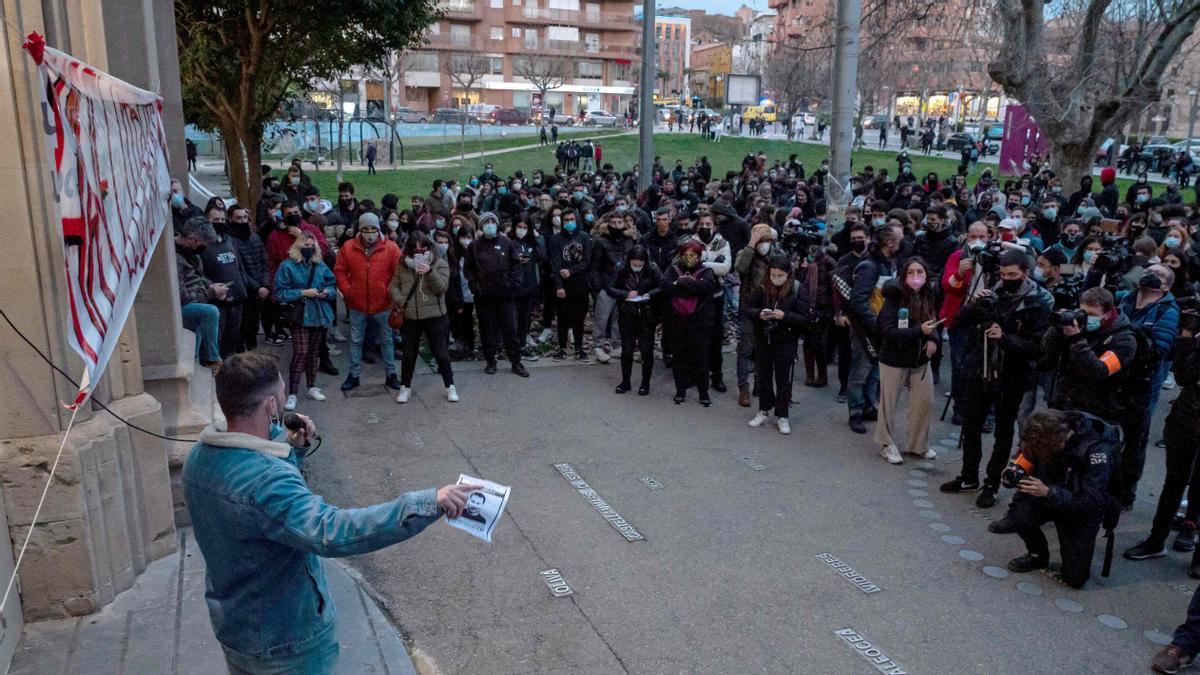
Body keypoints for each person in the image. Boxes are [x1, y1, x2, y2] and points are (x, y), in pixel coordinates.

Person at [183, 352, 478, 674]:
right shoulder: (266, 479)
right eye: (282, 394)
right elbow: (332, 530)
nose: (285, 402)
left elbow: (264, 515)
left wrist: (291, 449)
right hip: (286, 642)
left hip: (236, 625)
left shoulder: (199, 457)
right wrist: (428, 502)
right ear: (270, 406)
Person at [940, 250, 1050, 507]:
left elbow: (1037, 348)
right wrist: (974, 303)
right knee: (970, 425)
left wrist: (1006, 338)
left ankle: (992, 483)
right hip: (980, 370)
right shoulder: (994, 293)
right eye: (1002, 274)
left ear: (1025, 272)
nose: (1007, 278)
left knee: (1002, 432)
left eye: (1012, 274)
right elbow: (958, 322)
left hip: (1011, 376)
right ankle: (968, 476)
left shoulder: (1037, 303)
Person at [1003, 409, 1121, 589]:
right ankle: (1037, 555)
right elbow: (1026, 452)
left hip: (1080, 508)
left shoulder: (1096, 450)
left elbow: (1092, 501)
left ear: (1056, 443)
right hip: (1051, 491)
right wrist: (1018, 469)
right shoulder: (1044, 433)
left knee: (1074, 579)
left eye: (1042, 450)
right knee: (1020, 515)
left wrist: (1049, 493)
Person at [1125, 307, 1200, 570]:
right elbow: (1184, 376)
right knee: (1174, 481)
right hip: (1187, 418)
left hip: (1189, 415)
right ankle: (1157, 539)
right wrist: (1188, 338)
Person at [874, 258, 941, 464]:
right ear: (903, 276)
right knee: (888, 404)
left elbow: (932, 322)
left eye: (920, 271)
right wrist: (919, 331)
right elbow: (888, 331)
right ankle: (887, 444)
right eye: (910, 272)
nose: (915, 277)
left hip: (919, 360)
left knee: (924, 401)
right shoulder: (894, 298)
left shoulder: (928, 296)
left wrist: (932, 339)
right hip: (893, 359)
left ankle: (917, 445)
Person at [844, 224, 905, 434]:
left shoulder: (890, 263)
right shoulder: (870, 267)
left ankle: (869, 406)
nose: (903, 241)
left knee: (875, 373)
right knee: (860, 372)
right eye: (900, 238)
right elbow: (858, 301)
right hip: (866, 331)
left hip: (881, 329)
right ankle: (856, 412)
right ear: (889, 243)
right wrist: (875, 325)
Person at [744, 254, 812, 434]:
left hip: (786, 341)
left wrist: (785, 316)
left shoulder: (798, 289)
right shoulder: (763, 287)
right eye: (772, 275)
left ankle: (782, 415)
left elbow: (805, 318)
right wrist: (759, 314)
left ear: (788, 274)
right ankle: (763, 410)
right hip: (763, 339)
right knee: (763, 377)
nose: (775, 279)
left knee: (783, 380)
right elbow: (748, 308)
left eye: (779, 276)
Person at [335, 212, 402, 392]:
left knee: (387, 340)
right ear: (360, 230)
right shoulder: (348, 247)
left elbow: (399, 273)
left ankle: (391, 374)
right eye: (366, 230)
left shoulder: (391, 248)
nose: (370, 234)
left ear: (379, 229)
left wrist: (389, 292)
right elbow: (340, 270)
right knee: (356, 340)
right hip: (357, 305)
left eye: (373, 229)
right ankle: (354, 375)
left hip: (383, 304)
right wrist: (348, 291)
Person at [391, 233, 459, 403]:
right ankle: (405, 387)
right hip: (410, 316)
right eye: (415, 249)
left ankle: (450, 386)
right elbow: (393, 286)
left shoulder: (440, 264)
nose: (419, 253)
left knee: (441, 353)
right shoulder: (402, 265)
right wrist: (400, 300)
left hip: (435, 316)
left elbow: (441, 288)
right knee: (409, 354)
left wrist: (429, 272)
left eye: (423, 249)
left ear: (430, 249)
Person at [273, 232, 337, 410]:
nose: (309, 248)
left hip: (318, 313)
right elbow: (279, 292)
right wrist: (302, 292)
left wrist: (327, 293)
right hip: (300, 314)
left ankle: (311, 386)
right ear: (298, 246)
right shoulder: (287, 266)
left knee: (314, 352)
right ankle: (292, 393)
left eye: (312, 245)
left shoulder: (320, 265)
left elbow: (332, 283)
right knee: (301, 352)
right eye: (305, 245)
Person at [466, 212, 530, 377]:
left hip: (505, 296)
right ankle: (490, 361)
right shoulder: (474, 246)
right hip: (484, 297)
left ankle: (516, 362)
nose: (489, 225)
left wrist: (513, 286)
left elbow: (516, 264)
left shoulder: (506, 242)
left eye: (492, 222)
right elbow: (469, 269)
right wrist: (475, 287)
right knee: (487, 330)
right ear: (481, 226)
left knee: (511, 329)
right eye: (486, 222)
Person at [663, 240, 720, 406]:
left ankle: (704, 393)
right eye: (686, 255)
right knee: (679, 358)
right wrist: (691, 285)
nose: (689, 258)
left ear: (699, 256)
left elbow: (706, 288)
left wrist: (681, 283)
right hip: (677, 322)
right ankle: (680, 391)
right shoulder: (673, 270)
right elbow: (665, 286)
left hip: (700, 324)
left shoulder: (707, 271)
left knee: (701, 358)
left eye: (693, 255)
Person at [606, 246, 662, 395]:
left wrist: (650, 294)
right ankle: (625, 381)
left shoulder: (652, 268)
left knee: (647, 351)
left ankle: (645, 383)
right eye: (634, 264)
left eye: (640, 265)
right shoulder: (620, 267)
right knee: (627, 350)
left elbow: (662, 286)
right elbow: (610, 288)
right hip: (627, 313)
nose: (637, 268)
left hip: (646, 313)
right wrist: (625, 294)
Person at [734, 223, 778, 406]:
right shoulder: (746, 253)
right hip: (748, 309)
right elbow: (740, 268)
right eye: (761, 240)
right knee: (745, 350)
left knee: (764, 350)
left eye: (766, 241)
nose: (764, 244)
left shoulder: (777, 256)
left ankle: (760, 384)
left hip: (769, 309)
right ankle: (743, 388)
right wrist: (751, 244)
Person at [176, 216, 225, 371]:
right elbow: (181, 296)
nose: (205, 247)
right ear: (192, 239)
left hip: (197, 302)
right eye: (203, 244)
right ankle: (213, 358)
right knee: (211, 312)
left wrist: (212, 285)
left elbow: (200, 278)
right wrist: (210, 292)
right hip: (184, 308)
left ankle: (199, 362)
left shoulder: (194, 255)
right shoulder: (176, 258)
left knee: (195, 346)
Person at [693, 213, 732, 392]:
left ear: (715, 226)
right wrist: (713, 263)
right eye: (702, 223)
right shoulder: (691, 242)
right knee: (697, 338)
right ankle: (695, 374)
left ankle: (716, 376)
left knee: (716, 339)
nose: (705, 227)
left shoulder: (723, 243)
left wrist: (703, 263)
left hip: (716, 297)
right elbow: (689, 264)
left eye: (708, 224)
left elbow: (725, 268)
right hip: (696, 297)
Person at [547, 210, 593, 360]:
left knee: (579, 318)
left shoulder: (584, 237)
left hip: (580, 284)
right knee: (563, 318)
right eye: (566, 220)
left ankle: (579, 348)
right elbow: (554, 264)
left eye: (572, 219)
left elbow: (587, 261)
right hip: (563, 285)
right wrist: (558, 285)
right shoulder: (556, 239)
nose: (569, 222)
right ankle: (562, 348)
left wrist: (571, 271)